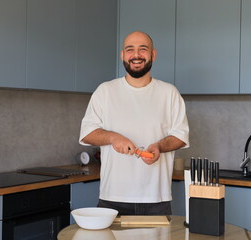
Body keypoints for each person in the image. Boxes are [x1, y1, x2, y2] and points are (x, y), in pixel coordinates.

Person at [79, 31, 189, 215]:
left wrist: (160, 146)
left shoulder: (170, 93)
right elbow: (87, 133)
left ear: (153, 54)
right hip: (112, 197)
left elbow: (181, 136)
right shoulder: (105, 91)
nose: (136, 55)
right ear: (122, 55)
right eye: (130, 50)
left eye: (142, 49)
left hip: (157, 199)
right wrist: (113, 138)